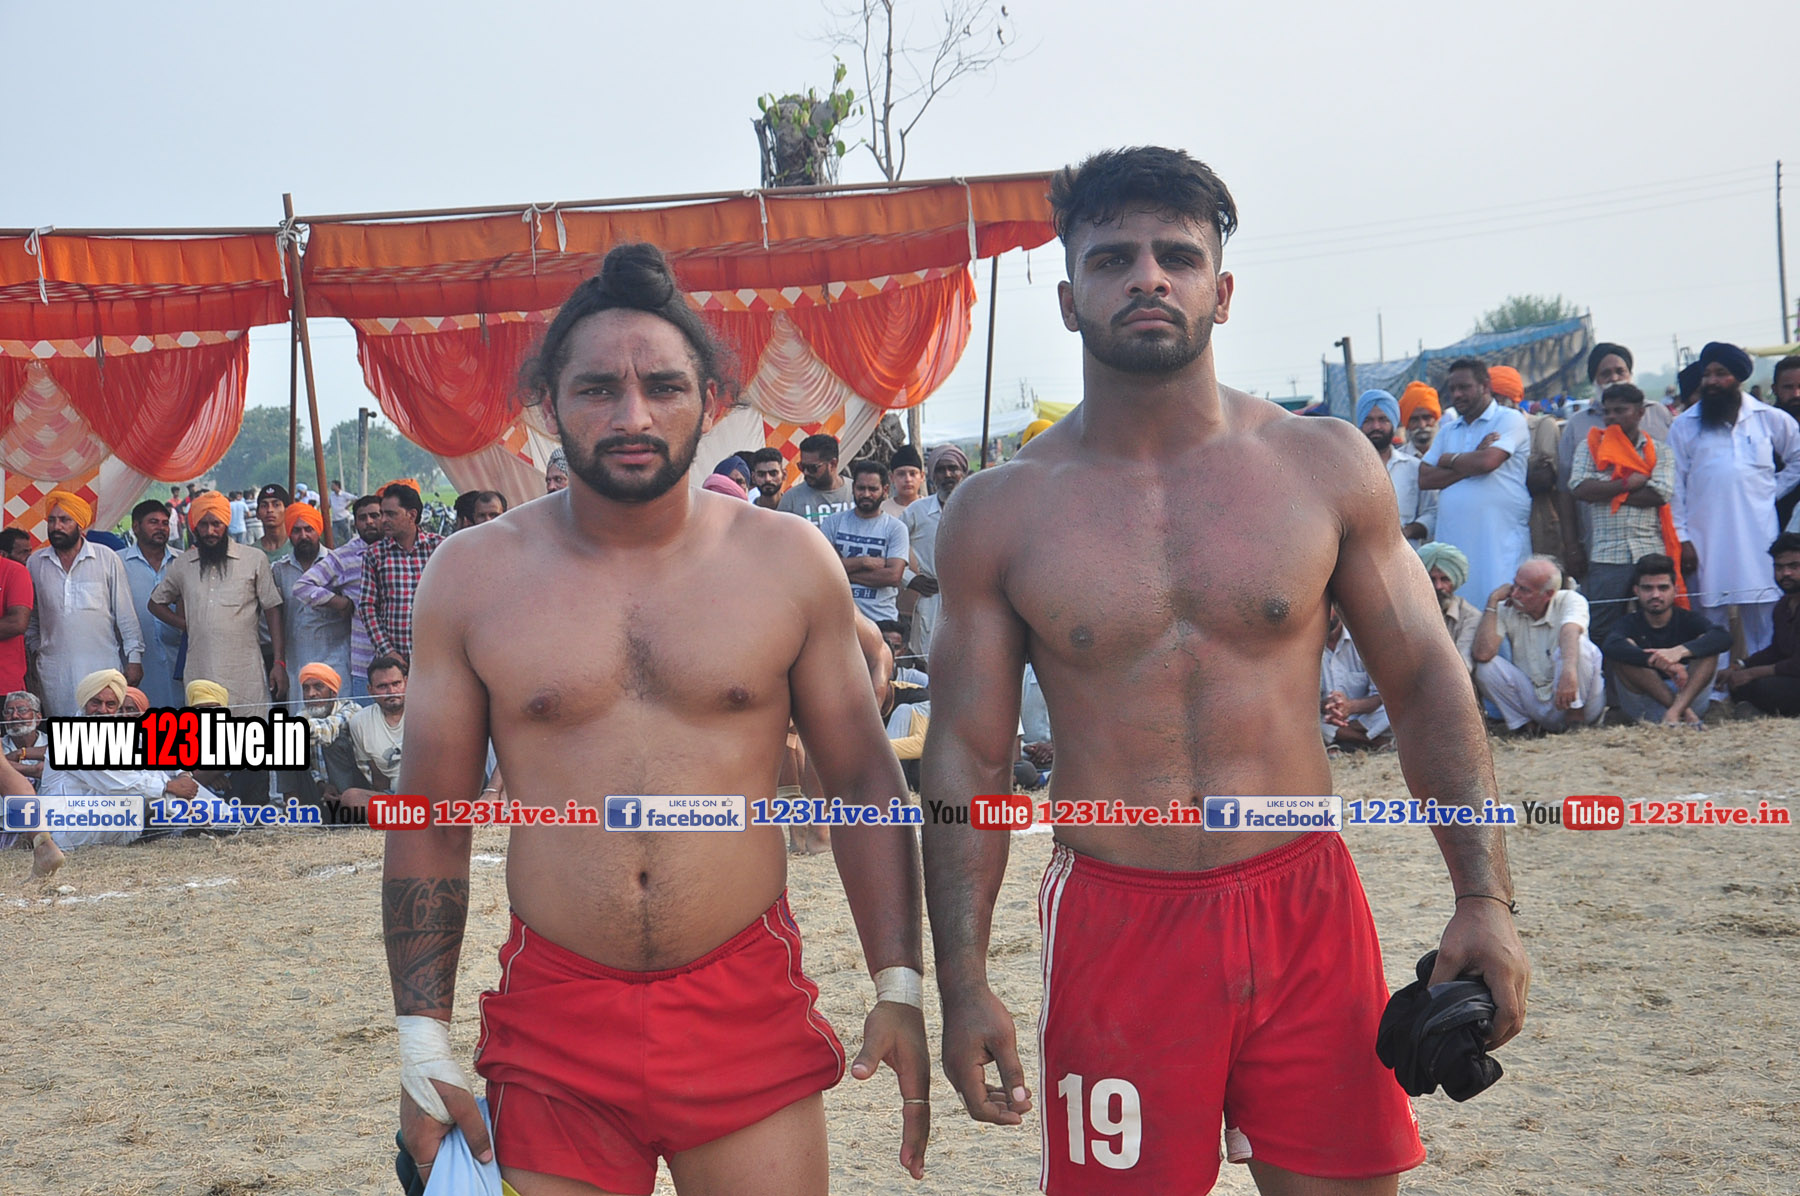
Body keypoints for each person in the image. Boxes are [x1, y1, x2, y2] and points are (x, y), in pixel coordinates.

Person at [922, 147, 1525, 1196]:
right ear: (1067, 301)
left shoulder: (1323, 465)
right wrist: (962, 981)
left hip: (1304, 904)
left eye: (1178, 255)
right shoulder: (1001, 510)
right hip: (1118, 921)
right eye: (1112, 259)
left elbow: (1427, 680)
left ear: (1223, 289)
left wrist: (1484, 895)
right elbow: (968, 759)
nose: (1148, 277)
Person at [385, 241, 928, 1195]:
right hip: (556, 1014)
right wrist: (421, 1041)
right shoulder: (472, 576)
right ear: (548, 404)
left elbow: (861, 780)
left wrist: (900, 983)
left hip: (743, 998)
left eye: (663, 387)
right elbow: (430, 814)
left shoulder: (788, 562)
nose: (632, 416)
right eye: (598, 389)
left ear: (709, 400)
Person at [1670, 341, 1800, 660]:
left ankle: (1758, 684)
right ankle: (1713, 687)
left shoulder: (1769, 418)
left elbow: (1797, 459)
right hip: (1704, 540)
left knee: (1764, 615)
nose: (1712, 381)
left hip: (1758, 538)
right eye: (1707, 374)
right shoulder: (1684, 425)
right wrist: (1682, 538)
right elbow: (1674, 488)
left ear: (1739, 378)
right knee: (1709, 619)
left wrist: (1769, 490)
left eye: (1721, 373)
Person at [148, 490, 288, 715]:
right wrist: (187, 624)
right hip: (201, 674)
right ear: (195, 527)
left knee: (251, 731)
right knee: (205, 734)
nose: (210, 531)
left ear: (226, 524)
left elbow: (272, 609)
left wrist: (279, 663)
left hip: (246, 674)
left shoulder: (253, 559)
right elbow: (155, 603)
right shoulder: (183, 564)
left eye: (216, 524)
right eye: (203, 525)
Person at [36, 669, 208, 852]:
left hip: (100, 819)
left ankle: (208, 817)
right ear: (84, 702)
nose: (102, 710)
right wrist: (171, 786)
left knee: (153, 774)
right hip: (69, 828)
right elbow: (121, 783)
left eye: (110, 704)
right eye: (96, 702)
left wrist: (183, 775)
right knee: (147, 784)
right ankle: (207, 818)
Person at [1568, 382, 1679, 649]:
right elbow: (1580, 488)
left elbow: (1659, 494)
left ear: (1640, 413)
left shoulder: (1659, 450)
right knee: (1602, 628)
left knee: (1656, 624)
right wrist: (1628, 484)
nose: (1611, 418)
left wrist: (1606, 490)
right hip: (1607, 554)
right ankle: (1608, 677)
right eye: (1607, 412)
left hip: (1649, 550)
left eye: (1620, 411)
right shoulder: (1590, 447)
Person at [1419, 358, 1533, 606]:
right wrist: (1470, 460)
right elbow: (1425, 478)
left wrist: (1449, 460)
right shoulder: (1448, 431)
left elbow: (1487, 462)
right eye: (1452, 389)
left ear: (1485, 386)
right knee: (1457, 611)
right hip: (1454, 539)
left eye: (1464, 387)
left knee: (1500, 606)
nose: (1457, 395)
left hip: (1498, 539)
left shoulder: (1509, 419)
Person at [1557, 343, 1673, 580]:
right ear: (1595, 380)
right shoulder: (1578, 425)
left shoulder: (1657, 415)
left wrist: (1599, 492)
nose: (1614, 378)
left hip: (1653, 541)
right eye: (1605, 373)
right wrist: (1571, 547)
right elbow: (1570, 490)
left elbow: (1663, 490)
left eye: (1620, 371)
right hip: (1599, 546)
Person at [26, 490, 144, 716]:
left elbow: (126, 614)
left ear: (80, 525)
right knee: (62, 731)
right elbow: (32, 617)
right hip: (54, 672)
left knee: (104, 731)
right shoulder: (36, 562)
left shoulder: (106, 558)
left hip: (102, 667)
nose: (56, 527)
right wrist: (36, 648)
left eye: (65, 520)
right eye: (52, 520)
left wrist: (134, 659)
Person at [1472, 557, 1605, 733]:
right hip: (1539, 701)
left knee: (1578, 645)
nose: (1515, 594)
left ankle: (1575, 720)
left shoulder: (1570, 599)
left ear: (1548, 594)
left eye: (1524, 590)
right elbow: (1483, 654)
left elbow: (1570, 631)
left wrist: (1568, 673)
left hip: (1583, 700)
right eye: (1514, 585)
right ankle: (1526, 726)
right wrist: (1492, 602)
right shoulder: (1508, 606)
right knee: (1485, 668)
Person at [1601, 554, 1731, 726]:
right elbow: (1610, 646)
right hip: (1644, 709)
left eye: (1663, 588)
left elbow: (1723, 637)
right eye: (1648, 588)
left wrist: (1678, 652)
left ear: (1675, 590)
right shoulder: (1628, 622)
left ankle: (1675, 712)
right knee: (1624, 654)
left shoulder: (1688, 618)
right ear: (1636, 591)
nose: (1655, 595)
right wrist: (1660, 662)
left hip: (1689, 698)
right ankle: (1680, 712)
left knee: (1709, 649)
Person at [294, 492, 385, 700]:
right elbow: (302, 586)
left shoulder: (398, 552)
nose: (369, 522)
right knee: (366, 720)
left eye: (375, 515)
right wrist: (341, 603)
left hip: (403, 659)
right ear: (355, 523)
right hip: (365, 662)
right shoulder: (345, 556)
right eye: (362, 518)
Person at [273, 502, 351, 704]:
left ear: (319, 530)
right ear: (289, 533)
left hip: (336, 659)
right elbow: (275, 617)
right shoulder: (279, 570)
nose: (303, 535)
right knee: (302, 717)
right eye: (297, 530)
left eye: (309, 529)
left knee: (340, 716)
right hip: (298, 660)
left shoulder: (337, 563)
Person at [363, 482, 443, 670]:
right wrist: (388, 651)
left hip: (436, 658)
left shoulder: (439, 548)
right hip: (392, 662)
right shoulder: (375, 554)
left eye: (391, 514)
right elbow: (368, 607)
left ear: (412, 515)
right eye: (382, 514)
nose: (383, 520)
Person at [818, 460, 910, 622]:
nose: (866, 494)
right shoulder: (832, 523)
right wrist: (864, 562)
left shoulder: (896, 528)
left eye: (873, 489)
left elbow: (893, 576)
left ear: (885, 490)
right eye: (861, 488)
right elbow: (823, 569)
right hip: (840, 619)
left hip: (882, 619)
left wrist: (843, 572)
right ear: (853, 488)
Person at [1719, 532, 1800, 716]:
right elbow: (1777, 650)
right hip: (1792, 678)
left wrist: (1752, 673)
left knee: (1760, 685)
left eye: (1794, 566)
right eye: (1779, 567)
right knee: (1737, 682)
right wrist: (1739, 666)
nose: (1786, 573)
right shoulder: (1783, 606)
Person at [900, 445, 967, 659]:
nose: (947, 474)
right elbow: (889, 549)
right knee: (932, 660)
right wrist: (910, 579)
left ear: (963, 472)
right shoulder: (916, 511)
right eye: (940, 469)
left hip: (972, 598)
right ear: (932, 476)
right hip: (932, 598)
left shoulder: (980, 507)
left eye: (952, 468)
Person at [1489, 366, 1562, 557]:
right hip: (1496, 529)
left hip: (1538, 523)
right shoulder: (1485, 435)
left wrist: (1491, 472)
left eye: (1495, 398)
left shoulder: (1542, 426)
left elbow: (1545, 479)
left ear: (1510, 399)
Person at [120, 499, 184, 709]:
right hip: (137, 662)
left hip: (178, 659)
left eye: (165, 523)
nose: (161, 528)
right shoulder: (117, 563)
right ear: (136, 527)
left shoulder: (183, 562)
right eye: (153, 522)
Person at [1357, 388, 1434, 543]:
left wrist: (1407, 532)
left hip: (1406, 553)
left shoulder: (1414, 467)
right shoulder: (1347, 469)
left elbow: (1432, 512)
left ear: (1393, 423)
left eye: (1383, 419)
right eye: (1368, 420)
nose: (1376, 426)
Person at [1320, 603, 1389, 750]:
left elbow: (1380, 696)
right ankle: (1372, 742)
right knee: (1303, 720)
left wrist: (1350, 707)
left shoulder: (1363, 640)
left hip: (1364, 718)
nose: (1323, 615)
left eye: (1328, 608)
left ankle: (1345, 736)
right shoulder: (1304, 648)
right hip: (1327, 718)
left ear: (1338, 608)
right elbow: (1304, 702)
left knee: (1393, 705)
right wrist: (1330, 706)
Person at [1417, 541, 1482, 677]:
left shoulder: (1470, 616)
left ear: (1455, 580)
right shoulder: (1407, 612)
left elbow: (1463, 665)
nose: (1438, 586)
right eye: (1431, 579)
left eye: (1445, 579)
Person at [776, 432, 854, 526]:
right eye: (802, 467)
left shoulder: (856, 492)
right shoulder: (791, 499)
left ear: (833, 464)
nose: (806, 472)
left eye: (812, 468)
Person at [0, 528, 31, 697]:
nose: (28, 558)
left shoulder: (14, 571)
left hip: (4, 684)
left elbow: (17, 623)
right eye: (23, 553)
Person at [4, 689, 47, 783]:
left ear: (38, 718)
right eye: (8, 712)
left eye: (22, 710)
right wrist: (33, 770)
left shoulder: (54, 743)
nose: (14, 716)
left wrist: (18, 754)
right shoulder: (1, 745)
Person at [1397, 381, 1439, 458]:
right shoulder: (1396, 460)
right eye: (1414, 420)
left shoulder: (1450, 454)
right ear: (1407, 424)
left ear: (1435, 419)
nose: (1422, 425)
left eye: (1426, 418)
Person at [884, 445, 926, 517]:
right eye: (901, 474)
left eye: (912, 474)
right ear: (891, 477)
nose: (908, 479)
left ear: (922, 476)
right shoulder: (882, 511)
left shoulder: (931, 509)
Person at [255, 484, 290, 562]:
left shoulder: (297, 548)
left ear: (287, 511)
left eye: (276, 505)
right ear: (257, 513)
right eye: (264, 506)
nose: (270, 510)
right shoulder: (253, 552)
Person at [329, 479, 354, 546]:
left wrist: (348, 506)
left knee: (347, 534)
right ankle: (336, 549)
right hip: (335, 519)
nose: (331, 487)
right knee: (334, 536)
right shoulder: (331, 495)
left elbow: (355, 498)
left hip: (343, 517)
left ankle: (350, 547)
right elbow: (329, 504)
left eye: (333, 485)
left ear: (337, 486)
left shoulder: (344, 495)